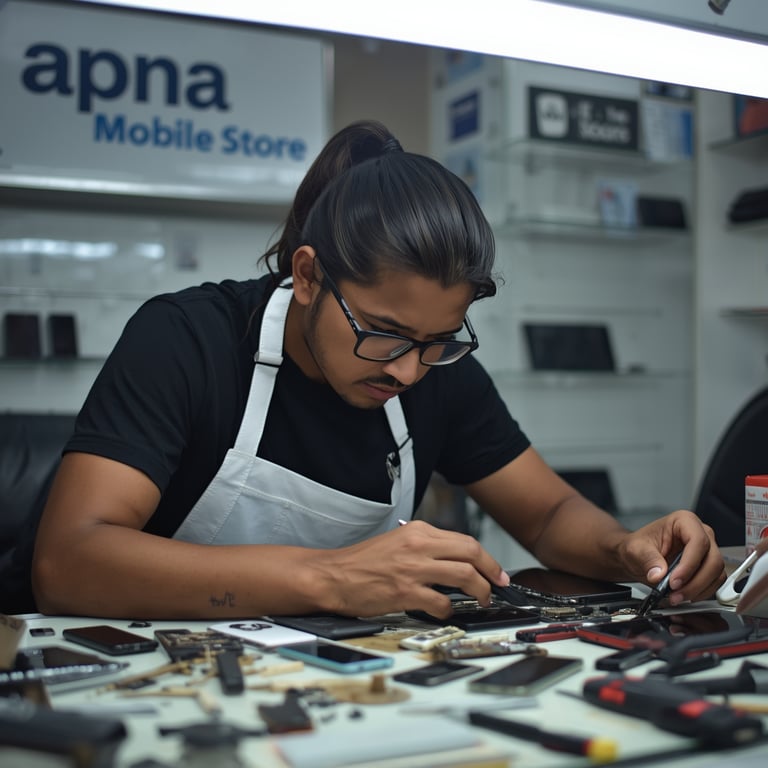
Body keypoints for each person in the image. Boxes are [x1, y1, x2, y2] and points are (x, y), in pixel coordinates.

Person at [31, 120, 725, 620]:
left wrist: (624, 546)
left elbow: (546, 513)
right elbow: (69, 563)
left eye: (438, 340)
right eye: (384, 334)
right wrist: (328, 579)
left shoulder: (435, 368)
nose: (410, 371)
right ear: (308, 277)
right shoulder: (186, 339)